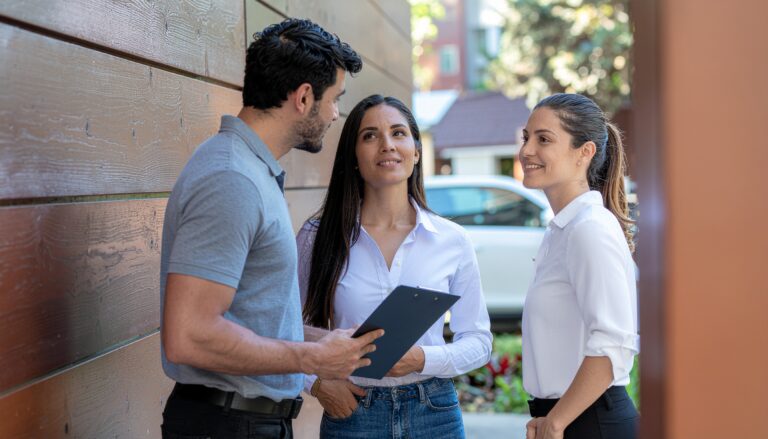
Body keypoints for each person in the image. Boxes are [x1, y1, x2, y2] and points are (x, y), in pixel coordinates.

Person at [159, 19, 384, 439]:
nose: (336, 113)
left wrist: (322, 341)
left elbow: (249, 315)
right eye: (335, 99)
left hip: (242, 422)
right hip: (227, 426)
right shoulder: (233, 180)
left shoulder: (248, 171)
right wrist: (309, 359)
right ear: (303, 97)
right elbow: (189, 335)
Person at [296, 95, 493, 439]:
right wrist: (316, 383)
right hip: (353, 412)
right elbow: (285, 328)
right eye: (370, 136)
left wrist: (421, 359)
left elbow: (478, 341)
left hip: (434, 412)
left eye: (398, 133)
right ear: (354, 157)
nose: (387, 145)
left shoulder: (452, 239)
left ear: (416, 151)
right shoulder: (317, 237)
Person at [519, 93, 639, 439]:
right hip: (568, 418)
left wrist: (557, 421)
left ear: (584, 153)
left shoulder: (588, 229)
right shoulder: (562, 230)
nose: (527, 150)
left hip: (590, 423)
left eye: (544, 139)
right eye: (527, 137)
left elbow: (614, 341)